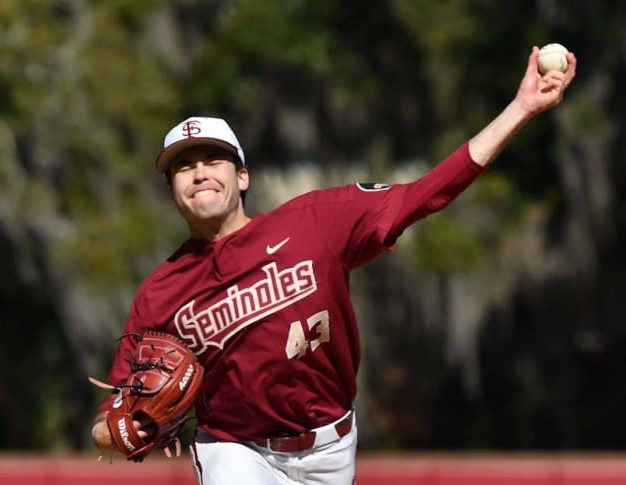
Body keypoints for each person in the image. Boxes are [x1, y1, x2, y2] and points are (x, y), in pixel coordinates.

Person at [92, 46, 577, 484]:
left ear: (242, 177)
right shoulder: (161, 292)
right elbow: (109, 415)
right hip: (234, 452)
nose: (199, 173)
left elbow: (425, 194)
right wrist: (120, 431)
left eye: (212, 160)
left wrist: (521, 109)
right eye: (183, 166)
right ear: (173, 191)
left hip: (330, 446)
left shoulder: (316, 221)